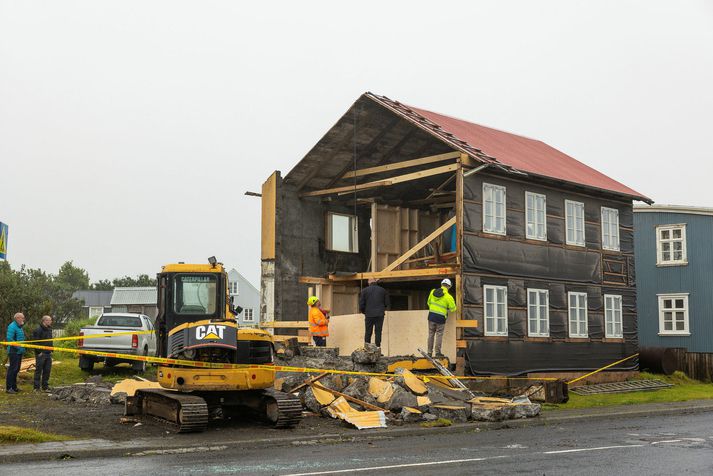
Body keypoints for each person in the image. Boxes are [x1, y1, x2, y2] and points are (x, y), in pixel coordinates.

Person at [426, 278, 457, 357]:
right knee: (439, 335)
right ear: (449, 287)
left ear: (441, 284)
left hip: (431, 316)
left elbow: (428, 303)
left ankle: (429, 352)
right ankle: (437, 353)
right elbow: (453, 309)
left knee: (431, 334)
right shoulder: (448, 297)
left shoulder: (432, 292)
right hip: (440, 318)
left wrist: (434, 309)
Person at [359, 278, 390, 348]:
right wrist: (382, 310)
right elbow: (387, 303)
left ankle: (367, 349)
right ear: (375, 282)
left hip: (369, 314)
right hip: (380, 314)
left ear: (369, 282)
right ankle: (377, 348)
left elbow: (361, 304)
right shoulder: (383, 290)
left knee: (368, 332)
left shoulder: (364, 291)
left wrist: (364, 312)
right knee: (378, 332)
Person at [5, 312, 26, 394]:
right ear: (17, 318)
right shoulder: (12, 326)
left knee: (16, 369)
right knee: (12, 369)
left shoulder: (19, 326)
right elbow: (10, 339)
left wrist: (22, 348)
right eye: (22, 318)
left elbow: (20, 338)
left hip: (19, 351)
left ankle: (14, 387)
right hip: (13, 351)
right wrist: (19, 347)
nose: (23, 319)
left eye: (23, 318)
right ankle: (9, 388)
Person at [32, 315, 53, 392]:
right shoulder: (38, 330)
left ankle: (45, 386)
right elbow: (35, 342)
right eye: (49, 320)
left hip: (48, 353)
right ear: (45, 321)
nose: (51, 322)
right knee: (39, 370)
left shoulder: (49, 329)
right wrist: (39, 352)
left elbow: (50, 340)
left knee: (47, 370)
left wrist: (51, 350)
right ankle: (36, 387)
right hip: (41, 354)